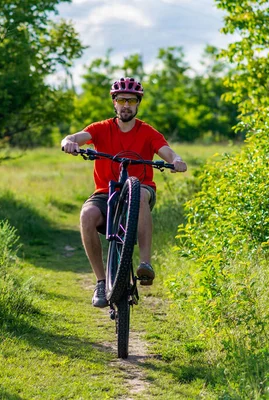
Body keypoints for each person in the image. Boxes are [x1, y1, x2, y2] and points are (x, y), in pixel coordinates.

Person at [61, 77, 188, 308]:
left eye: (131, 100)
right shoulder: (100, 128)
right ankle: (101, 282)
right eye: (121, 100)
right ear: (114, 102)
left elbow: (167, 152)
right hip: (105, 192)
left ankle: (146, 264)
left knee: (137, 195)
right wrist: (69, 141)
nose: (126, 105)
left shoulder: (147, 132)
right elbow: (76, 137)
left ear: (138, 104)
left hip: (141, 188)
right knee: (87, 215)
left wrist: (177, 160)